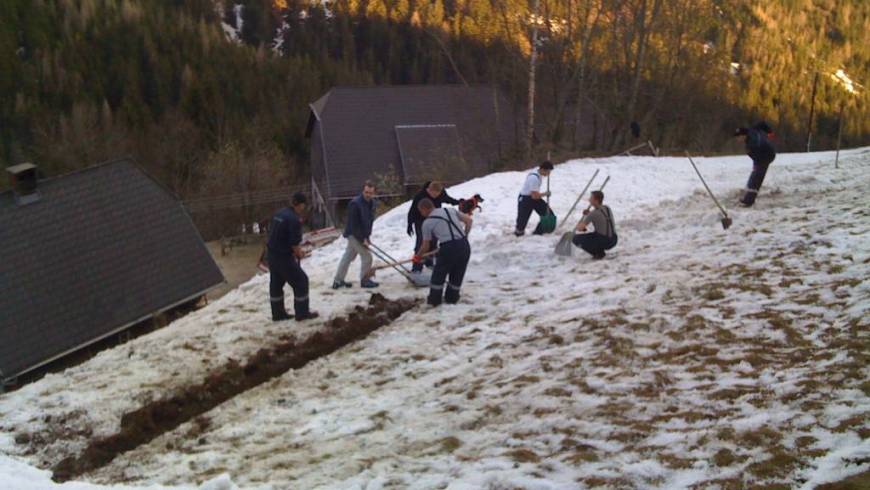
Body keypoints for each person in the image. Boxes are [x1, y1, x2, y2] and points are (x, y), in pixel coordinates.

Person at [267, 192, 319, 321]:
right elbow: (294, 244)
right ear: (301, 205)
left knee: (276, 284)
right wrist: (300, 253)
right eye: (304, 205)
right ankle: (302, 313)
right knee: (301, 281)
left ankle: (277, 314)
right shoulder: (294, 220)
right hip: (283, 257)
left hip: (271, 255)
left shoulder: (279, 213)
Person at [415, 198, 472, 306]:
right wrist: (465, 235)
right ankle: (452, 299)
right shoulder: (450, 210)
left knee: (438, 275)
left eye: (421, 211)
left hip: (448, 249)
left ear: (424, 209)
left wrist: (418, 256)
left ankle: (434, 301)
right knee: (457, 274)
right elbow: (469, 220)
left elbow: (425, 245)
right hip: (464, 246)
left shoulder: (427, 223)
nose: (421, 214)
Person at [333, 181, 379, 289]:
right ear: (363, 191)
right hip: (353, 234)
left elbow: (368, 222)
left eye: (370, 193)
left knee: (348, 256)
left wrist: (367, 237)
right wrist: (363, 239)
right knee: (367, 256)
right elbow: (354, 225)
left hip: (361, 235)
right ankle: (365, 280)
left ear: (373, 193)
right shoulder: (355, 204)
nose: (368, 195)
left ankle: (338, 281)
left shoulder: (372, 203)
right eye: (366, 192)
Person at [407, 181, 460, 273]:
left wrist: (459, 202)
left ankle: (429, 262)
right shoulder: (420, 196)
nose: (436, 195)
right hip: (420, 221)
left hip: (434, 220)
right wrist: (409, 224)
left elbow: (448, 199)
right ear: (429, 190)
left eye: (438, 193)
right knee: (422, 243)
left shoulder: (441, 193)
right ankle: (417, 268)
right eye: (434, 193)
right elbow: (412, 211)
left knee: (433, 243)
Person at [735, 121, 777, 207]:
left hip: (766, 155)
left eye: (738, 137)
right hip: (766, 152)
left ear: (743, 135)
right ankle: (748, 194)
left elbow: (757, 156)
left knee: (756, 177)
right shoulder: (752, 129)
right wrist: (770, 132)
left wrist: (756, 165)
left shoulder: (752, 144)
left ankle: (748, 201)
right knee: (754, 175)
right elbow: (762, 124)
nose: (737, 140)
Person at [573, 190, 617, 260]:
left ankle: (598, 253)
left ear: (596, 201)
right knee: (595, 235)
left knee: (575, 238)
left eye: (591, 198)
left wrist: (585, 218)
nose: (589, 200)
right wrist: (589, 214)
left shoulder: (593, 213)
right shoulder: (607, 208)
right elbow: (600, 217)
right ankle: (599, 251)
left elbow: (580, 228)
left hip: (604, 240)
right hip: (614, 239)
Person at [515, 161, 555, 236]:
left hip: (534, 197)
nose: (549, 174)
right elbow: (534, 196)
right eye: (548, 172)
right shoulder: (533, 178)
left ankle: (538, 232)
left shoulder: (538, 172)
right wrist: (546, 194)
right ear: (543, 169)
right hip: (525, 199)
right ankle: (518, 233)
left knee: (548, 213)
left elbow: (535, 195)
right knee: (522, 220)